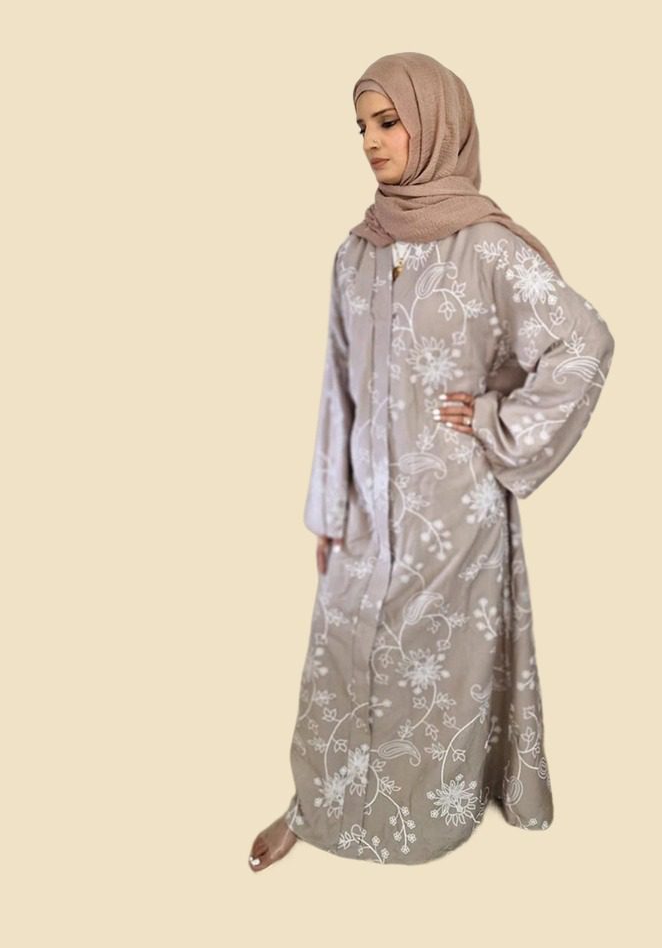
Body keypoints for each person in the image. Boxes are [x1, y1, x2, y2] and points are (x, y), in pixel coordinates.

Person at [249, 52, 615, 870]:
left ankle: (427, 819)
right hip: (365, 513)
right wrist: (329, 510)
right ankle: (319, 805)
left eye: (388, 122)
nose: (371, 142)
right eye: (360, 127)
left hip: (454, 511)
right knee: (341, 653)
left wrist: (495, 420)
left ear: (438, 123)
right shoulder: (355, 253)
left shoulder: (487, 248)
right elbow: (338, 385)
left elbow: (583, 344)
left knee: (432, 669)